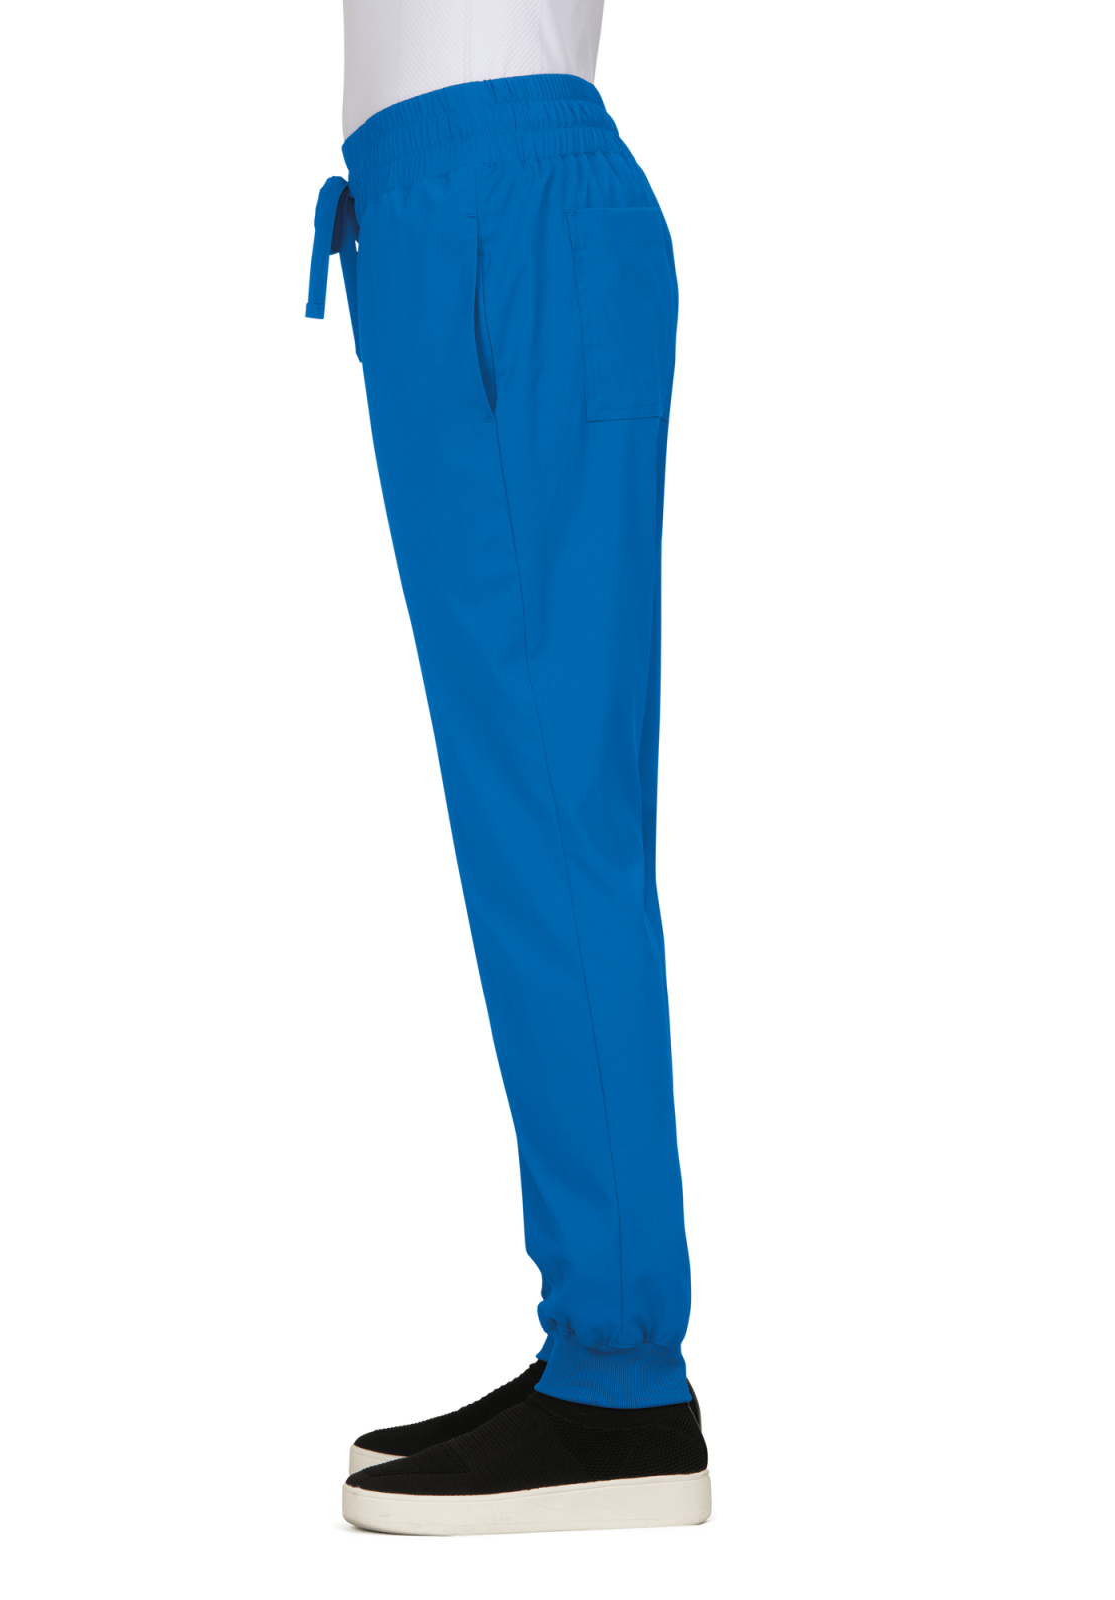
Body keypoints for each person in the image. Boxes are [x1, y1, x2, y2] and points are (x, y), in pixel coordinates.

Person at [308, 0, 709, 1534]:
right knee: (535, 810)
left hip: (499, 210)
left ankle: (621, 1376)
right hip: (452, 217)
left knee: (550, 813)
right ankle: (596, 1345)